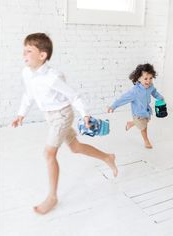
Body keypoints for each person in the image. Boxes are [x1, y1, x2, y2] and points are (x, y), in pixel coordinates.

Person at [12, 33, 118, 215]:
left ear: (42, 55)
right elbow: (28, 94)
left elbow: (74, 96)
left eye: (29, 51)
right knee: (75, 147)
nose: (24, 55)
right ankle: (108, 157)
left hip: (62, 115)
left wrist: (85, 114)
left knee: (49, 153)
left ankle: (52, 197)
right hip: (50, 116)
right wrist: (21, 114)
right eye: (24, 51)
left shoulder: (53, 77)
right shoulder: (27, 73)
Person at [108, 63, 165, 149]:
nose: (148, 81)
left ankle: (131, 123)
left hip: (146, 111)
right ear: (139, 78)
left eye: (150, 78)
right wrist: (113, 106)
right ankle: (146, 141)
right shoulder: (134, 91)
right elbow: (123, 98)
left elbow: (154, 92)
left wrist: (160, 98)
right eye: (145, 78)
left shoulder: (150, 87)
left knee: (145, 121)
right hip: (138, 112)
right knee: (144, 127)